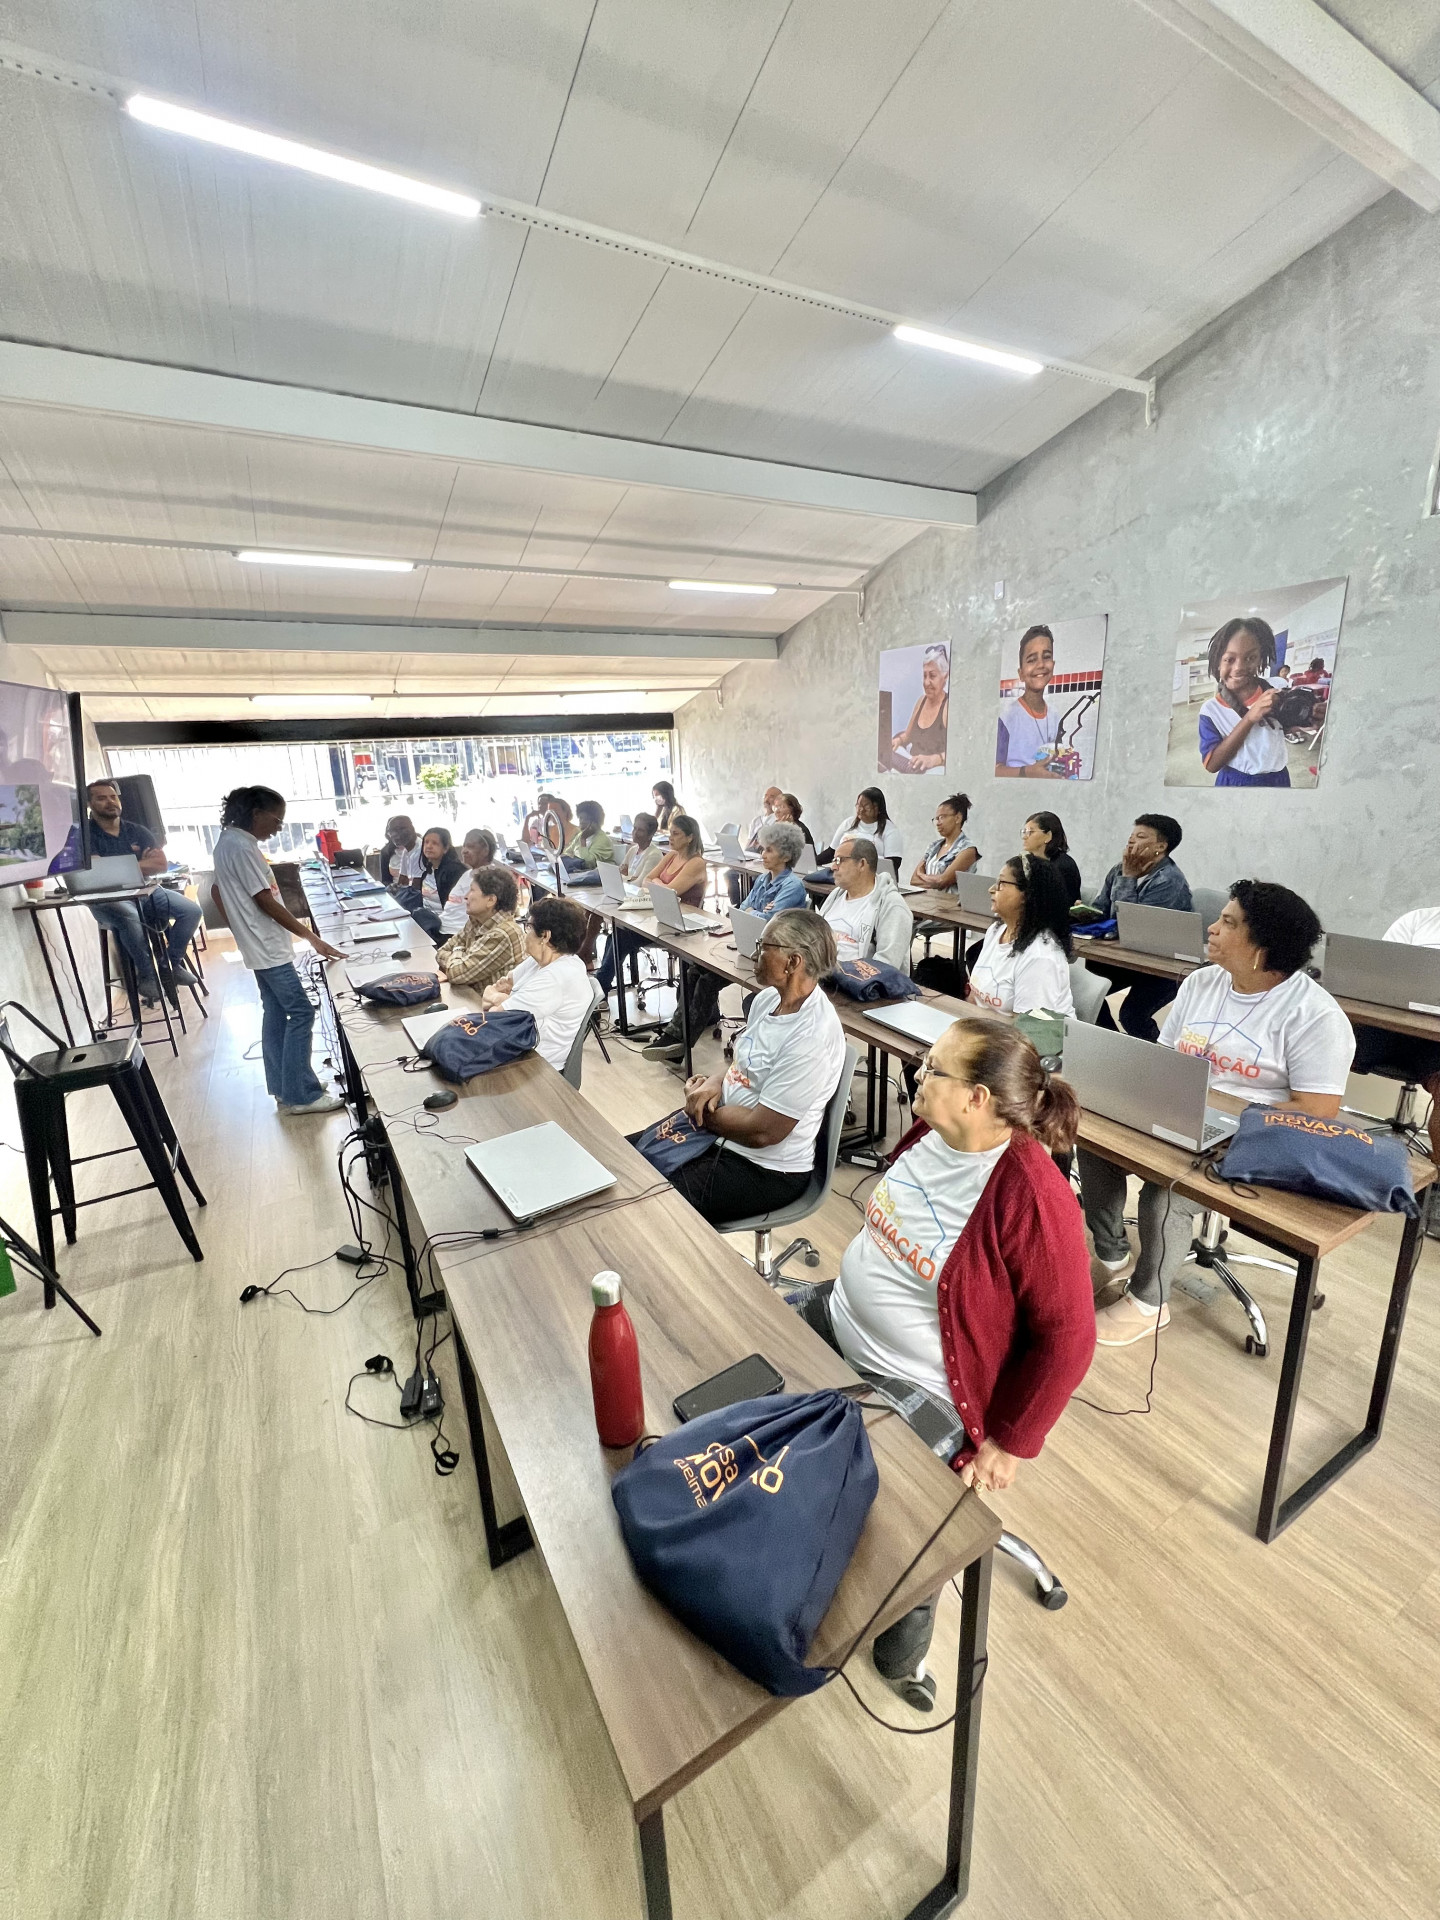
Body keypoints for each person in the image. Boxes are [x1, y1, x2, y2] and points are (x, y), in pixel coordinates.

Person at [791, 1015, 1094, 1708]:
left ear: (978, 1099)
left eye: (934, 1071)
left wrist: (1008, 1442)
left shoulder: (1029, 1192)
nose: (918, 1077)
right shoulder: (933, 1132)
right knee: (734, 1339)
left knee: (910, 1523)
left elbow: (1068, 1337)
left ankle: (900, 1656)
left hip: (922, 1383)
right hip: (838, 1316)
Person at [1081, 880, 1354, 1344]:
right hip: (1185, 1112)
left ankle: (1150, 1301)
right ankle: (1111, 1252)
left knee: (1166, 1191)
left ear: (1262, 947)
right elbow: (1166, 1057)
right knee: (1095, 1134)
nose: (1211, 928)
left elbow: (1317, 1112)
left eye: (1227, 922)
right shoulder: (1202, 983)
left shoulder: (1314, 1016)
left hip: (1258, 1136)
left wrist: (1225, 1118)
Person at [655, 910, 846, 1226]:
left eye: (763, 946)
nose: (754, 954)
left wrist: (698, 1110)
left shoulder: (811, 1038)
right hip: (721, 1134)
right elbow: (744, 1064)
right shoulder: (767, 999)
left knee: (649, 1202)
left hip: (763, 1169)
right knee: (627, 1157)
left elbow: (762, 1132)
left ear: (792, 962)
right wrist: (715, 1083)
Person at [210, 785, 345, 1115]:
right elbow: (264, 899)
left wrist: (242, 931)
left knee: (275, 1012)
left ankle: (286, 1087)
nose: (279, 827)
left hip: (260, 944)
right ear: (256, 814)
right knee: (300, 1012)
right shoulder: (240, 846)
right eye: (277, 820)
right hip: (268, 948)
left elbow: (216, 891)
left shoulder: (230, 842)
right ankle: (303, 1096)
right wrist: (311, 937)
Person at [644, 822, 813, 1065]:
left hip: (774, 957)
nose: (762, 854)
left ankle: (680, 1042)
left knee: (707, 979)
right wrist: (755, 911)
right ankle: (676, 1036)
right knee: (694, 971)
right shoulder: (764, 880)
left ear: (786, 855)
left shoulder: (792, 886)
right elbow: (742, 911)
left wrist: (754, 912)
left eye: (769, 851)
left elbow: (769, 922)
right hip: (748, 947)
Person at [83, 778, 202, 1004]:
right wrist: (137, 865)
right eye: (101, 798)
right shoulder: (85, 835)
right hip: (106, 898)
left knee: (191, 911)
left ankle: (170, 964)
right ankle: (147, 975)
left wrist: (116, 866)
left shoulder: (137, 831)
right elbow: (98, 874)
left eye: (113, 797)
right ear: (90, 804)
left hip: (145, 890)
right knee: (130, 916)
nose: (110, 802)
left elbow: (160, 865)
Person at [1085, 814, 1192, 1041]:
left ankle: (1159, 1056)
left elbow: (1132, 928)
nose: (1131, 841)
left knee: (1132, 1015)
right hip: (1125, 959)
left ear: (1161, 846)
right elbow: (1101, 910)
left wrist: (1129, 877)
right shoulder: (1118, 870)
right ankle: (1110, 1044)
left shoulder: (1169, 880)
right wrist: (1083, 914)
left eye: (1140, 837)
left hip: (1162, 967)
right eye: (1131, 836)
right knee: (1084, 992)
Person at [1348, 905, 1440, 1164]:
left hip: (1436, 1042)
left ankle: (1435, 1180)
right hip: (1389, 1028)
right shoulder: (1418, 920)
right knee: (1318, 1041)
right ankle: (1303, 1143)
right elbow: (1382, 976)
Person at [596, 814, 708, 998]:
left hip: (681, 925)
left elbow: (670, 892)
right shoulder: (671, 855)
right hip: (660, 916)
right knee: (618, 933)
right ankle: (601, 987)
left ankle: (601, 989)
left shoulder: (696, 862)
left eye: (676, 834)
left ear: (690, 837)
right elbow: (645, 881)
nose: (670, 837)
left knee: (622, 937)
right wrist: (658, 885)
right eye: (670, 833)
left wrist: (656, 884)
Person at [482, 894, 594, 1073]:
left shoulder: (557, 976)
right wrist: (502, 997)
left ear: (545, 936)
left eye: (529, 926)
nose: (526, 932)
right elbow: (501, 987)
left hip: (535, 1066)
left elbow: (494, 1015)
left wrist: (500, 998)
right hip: (517, 1049)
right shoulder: (540, 960)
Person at [967, 855, 1075, 1017]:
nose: (992, 889)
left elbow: (1029, 1032)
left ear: (1026, 894)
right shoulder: (996, 931)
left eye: (1001, 883)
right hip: (985, 1031)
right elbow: (974, 998)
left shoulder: (1040, 956)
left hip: (1020, 1039)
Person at [1197, 617, 1290, 788]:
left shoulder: (1275, 689)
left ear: (1260, 659)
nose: (1239, 667)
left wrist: (1309, 716)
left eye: (1250, 658)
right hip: (1235, 781)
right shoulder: (1210, 710)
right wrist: (1249, 719)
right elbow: (1211, 764)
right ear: (1218, 661)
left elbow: (1287, 727)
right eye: (1229, 659)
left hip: (1278, 779)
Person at [822, 837, 914, 969]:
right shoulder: (836, 895)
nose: (833, 867)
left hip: (857, 983)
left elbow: (886, 965)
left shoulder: (892, 905)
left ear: (862, 864)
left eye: (839, 860)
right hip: (822, 972)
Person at [435, 863, 526, 992]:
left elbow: (456, 974)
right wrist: (459, 958)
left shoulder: (503, 934)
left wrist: (458, 949)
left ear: (490, 900)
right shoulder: (476, 921)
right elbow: (441, 952)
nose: (466, 896)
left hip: (491, 1008)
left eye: (472, 890)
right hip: (471, 998)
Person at [995, 625, 1063, 779]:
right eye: (1032, 660)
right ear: (1021, 673)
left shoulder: (1055, 715)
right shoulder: (1006, 716)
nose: (1040, 665)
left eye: (1046, 657)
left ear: (1053, 665)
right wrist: (1026, 772)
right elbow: (994, 769)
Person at [891, 644, 950, 771]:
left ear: (945, 677)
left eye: (932, 676)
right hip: (911, 767)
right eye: (924, 676)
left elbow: (957, 752)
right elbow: (908, 735)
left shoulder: (948, 707)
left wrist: (933, 759)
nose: (926, 682)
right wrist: (899, 740)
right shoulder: (921, 701)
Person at [822, 788, 904, 872]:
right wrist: (814, 862)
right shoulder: (848, 823)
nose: (861, 810)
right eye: (858, 805)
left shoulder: (890, 830)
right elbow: (831, 852)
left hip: (873, 878)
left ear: (877, 808)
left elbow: (893, 864)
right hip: (844, 874)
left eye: (866, 806)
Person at [909, 794, 979, 891]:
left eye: (942, 817)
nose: (938, 823)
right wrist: (931, 880)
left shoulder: (967, 849)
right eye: (936, 819)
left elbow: (942, 881)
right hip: (928, 901)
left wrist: (921, 875)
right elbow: (913, 881)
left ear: (958, 818)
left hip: (950, 904)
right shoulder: (934, 846)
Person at [411, 827, 466, 944]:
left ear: (445, 848)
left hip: (445, 928)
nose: (429, 846)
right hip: (428, 922)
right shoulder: (427, 870)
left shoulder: (454, 871)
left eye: (435, 843)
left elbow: (454, 908)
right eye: (426, 842)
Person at [1020, 812, 1082, 907]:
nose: (1024, 837)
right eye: (1024, 832)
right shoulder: (1031, 863)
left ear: (1048, 836)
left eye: (1030, 832)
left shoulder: (1063, 865)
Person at [771, 794, 818, 870]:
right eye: (776, 807)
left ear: (792, 809)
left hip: (800, 869)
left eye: (781, 807)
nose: (777, 811)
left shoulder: (799, 829)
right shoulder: (776, 826)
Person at [383, 816, 424, 899]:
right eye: (391, 832)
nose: (394, 835)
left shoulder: (420, 850)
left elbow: (415, 889)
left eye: (399, 829)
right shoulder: (406, 850)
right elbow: (402, 881)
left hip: (422, 899)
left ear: (411, 829)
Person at [619, 812, 663, 887]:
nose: (635, 833)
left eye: (641, 830)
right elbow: (619, 874)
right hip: (627, 889)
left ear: (650, 835)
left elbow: (640, 884)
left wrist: (625, 878)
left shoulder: (654, 855)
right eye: (635, 828)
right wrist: (629, 878)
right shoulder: (633, 849)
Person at [567, 800, 614, 870]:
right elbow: (567, 853)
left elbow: (587, 863)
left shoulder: (602, 839)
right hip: (579, 873)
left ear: (596, 821)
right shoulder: (580, 835)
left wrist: (583, 841)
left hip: (596, 875)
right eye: (580, 818)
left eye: (586, 819)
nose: (582, 821)